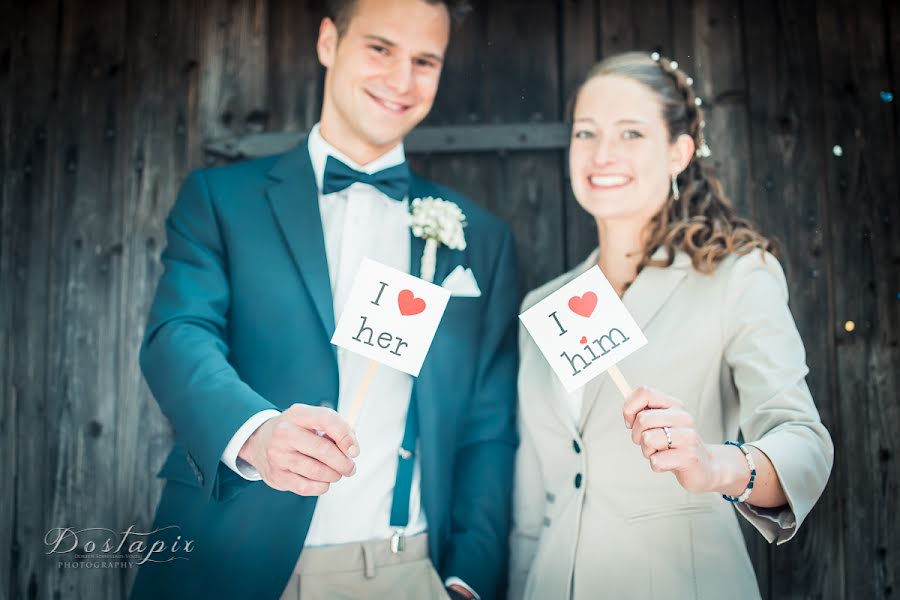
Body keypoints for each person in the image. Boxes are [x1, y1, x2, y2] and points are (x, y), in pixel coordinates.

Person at [130, 1, 518, 599]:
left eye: (424, 61)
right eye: (380, 49)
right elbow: (177, 337)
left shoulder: (480, 237)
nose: (401, 81)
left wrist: (469, 579)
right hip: (229, 558)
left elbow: (488, 425)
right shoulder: (221, 199)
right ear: (329, 42)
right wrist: (255, 433)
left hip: (407, 573)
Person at [508, 51, 834, 600]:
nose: (602, 154)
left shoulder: (738, 277)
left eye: (631, 133)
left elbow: (804, 441)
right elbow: (532, 499)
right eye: (586, 133)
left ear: (678, 151)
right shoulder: (546, 304)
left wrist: (716, 465)